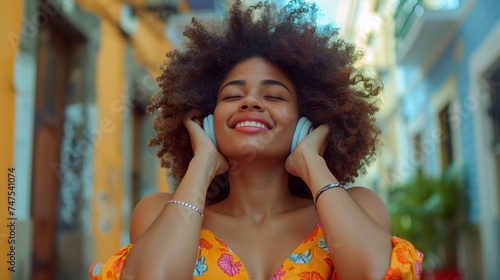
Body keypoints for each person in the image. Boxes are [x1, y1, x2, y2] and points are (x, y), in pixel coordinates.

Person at [89, 1, 423, 279]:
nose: (251, 102)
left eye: (274, 96)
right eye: (233, 95)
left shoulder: (360, 207)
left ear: (309, 120)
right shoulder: (158, 212)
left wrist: (311, 162)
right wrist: (202, 163)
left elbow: (375, 273)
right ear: (207, 119)